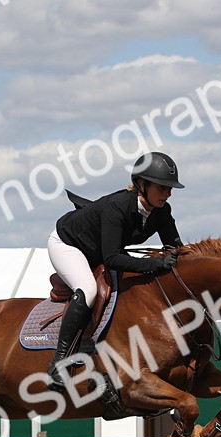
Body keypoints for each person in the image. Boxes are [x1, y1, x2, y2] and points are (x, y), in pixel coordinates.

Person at [44, 151, 185, 388]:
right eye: (162, 187)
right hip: (68, 244)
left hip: (99, 249)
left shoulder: (163, 211)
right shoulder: (117, 207)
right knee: (88, 290)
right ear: (142, 185)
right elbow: (112, 258)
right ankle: (60, 363)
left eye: (170, 189)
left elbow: (176, 248)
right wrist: (155, 264)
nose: (168, 193)